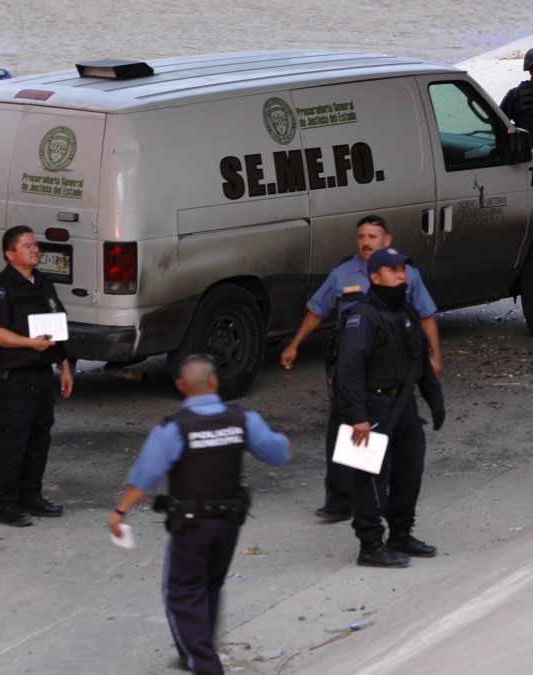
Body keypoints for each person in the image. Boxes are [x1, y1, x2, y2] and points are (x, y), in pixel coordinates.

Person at [107, 354, 289, 675]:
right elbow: (276, 453)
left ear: (180, 386)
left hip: (192, 526)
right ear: (215, 382)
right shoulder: (242, 419)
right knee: (211, 584)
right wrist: (282, 443)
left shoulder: (175, 428)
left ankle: (204, 663)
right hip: (229, 522)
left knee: (180, 593)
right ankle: (197, 647)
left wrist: (120, 512)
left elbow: (144, 478)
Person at [279, 215, 441, 523]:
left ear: (387, 240)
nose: (365, 241)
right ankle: (344, 501)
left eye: (372, 236)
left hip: (391, 367)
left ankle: (379, 504)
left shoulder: (404, 272)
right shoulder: (344, 272)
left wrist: (435, 359)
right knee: (344, 432)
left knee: (386, 436)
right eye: (361, 236)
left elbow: (425, 316)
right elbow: (318, 309)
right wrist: (295, 344)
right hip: (351, 364)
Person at [335, 247, 445, 568]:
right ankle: (370, 545)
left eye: (403, 269)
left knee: (409, 472)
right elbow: (349, 371)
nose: (401, 274)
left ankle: (401, 535)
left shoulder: (407, 312)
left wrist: (435, 401)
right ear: (374, 276)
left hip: (404, 406)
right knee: (370, 479)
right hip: (371, 409)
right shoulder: (362, 316)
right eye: (394, 269)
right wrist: (358, 417)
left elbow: (421, 362)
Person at [0, 226, 74, 526]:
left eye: (36, 245)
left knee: (38, 440)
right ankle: (5, 505)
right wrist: (30, 343)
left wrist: (65, 366)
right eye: (28, 245)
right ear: (11, 254)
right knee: (11, 444)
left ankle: (31, 496)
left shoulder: (43, 284)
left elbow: (57, 327)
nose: (36, 249)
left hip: (42, 375)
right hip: (15, 378)